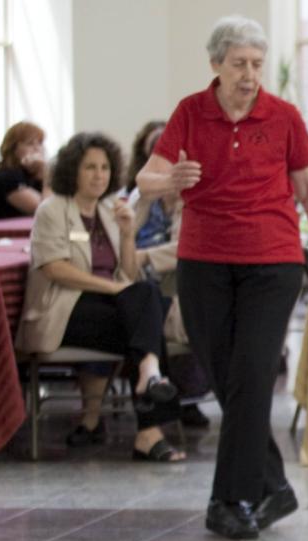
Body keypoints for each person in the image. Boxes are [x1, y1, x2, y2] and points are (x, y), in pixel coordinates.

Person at [137, 15, 308, 540]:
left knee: (251, 375)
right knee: (231, 381)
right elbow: (145, 178)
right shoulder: (190, 112)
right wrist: (170, 179)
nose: (250, 75)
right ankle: (274, 485)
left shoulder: (284, 116)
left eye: (256, 64)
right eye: (239, 64)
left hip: (272, 261)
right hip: (203, 261)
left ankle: (231, 498)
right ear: (216, 66)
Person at [17, 132, 185, 462]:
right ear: (72, 171)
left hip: (109, 308)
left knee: (143, 309)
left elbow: (128, 272)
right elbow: (55, 269)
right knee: (146, 321)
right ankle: (149, 423)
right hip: (63, 310)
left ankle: (149, 381)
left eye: (105, 168)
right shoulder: (52, 211)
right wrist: (111, 288)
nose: (99, 175)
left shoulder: (110, 209)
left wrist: (125, 235)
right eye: (90, 167)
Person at [125, 119, 211, 429]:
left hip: (173, 287)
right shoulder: (140, 196)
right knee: (135, 307)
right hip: (135, 282)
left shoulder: (194, 197)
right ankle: (154, 400)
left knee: (149, 309)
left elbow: (185, 247)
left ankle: (161, 406)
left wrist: (143, 257)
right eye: (156, 157)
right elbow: (122, 235)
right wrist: (147, 197)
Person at [0, 121, 48, 220]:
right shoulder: (8, 176)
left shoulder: (33, 176)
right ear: (13, 149)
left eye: (40, 143)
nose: (37, 148)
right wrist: (47, 172)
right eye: (30, 143)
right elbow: (44, 211)